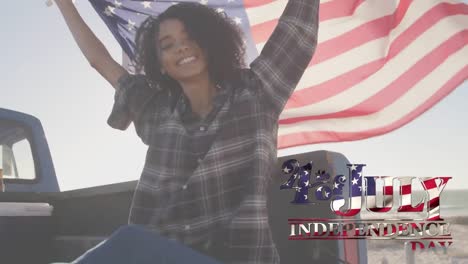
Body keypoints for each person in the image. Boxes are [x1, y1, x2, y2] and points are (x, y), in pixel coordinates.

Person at [55, 0, 319, 263]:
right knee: (124, 243)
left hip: (238, 257)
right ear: (159, 64)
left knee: (126, 242)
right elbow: (98, 60)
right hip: (157, 254)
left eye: (191, 36)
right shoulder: (154, 110)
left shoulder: (256, 91)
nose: (181, 46)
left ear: (209, 42)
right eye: (167, 45)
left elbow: (297, 29)